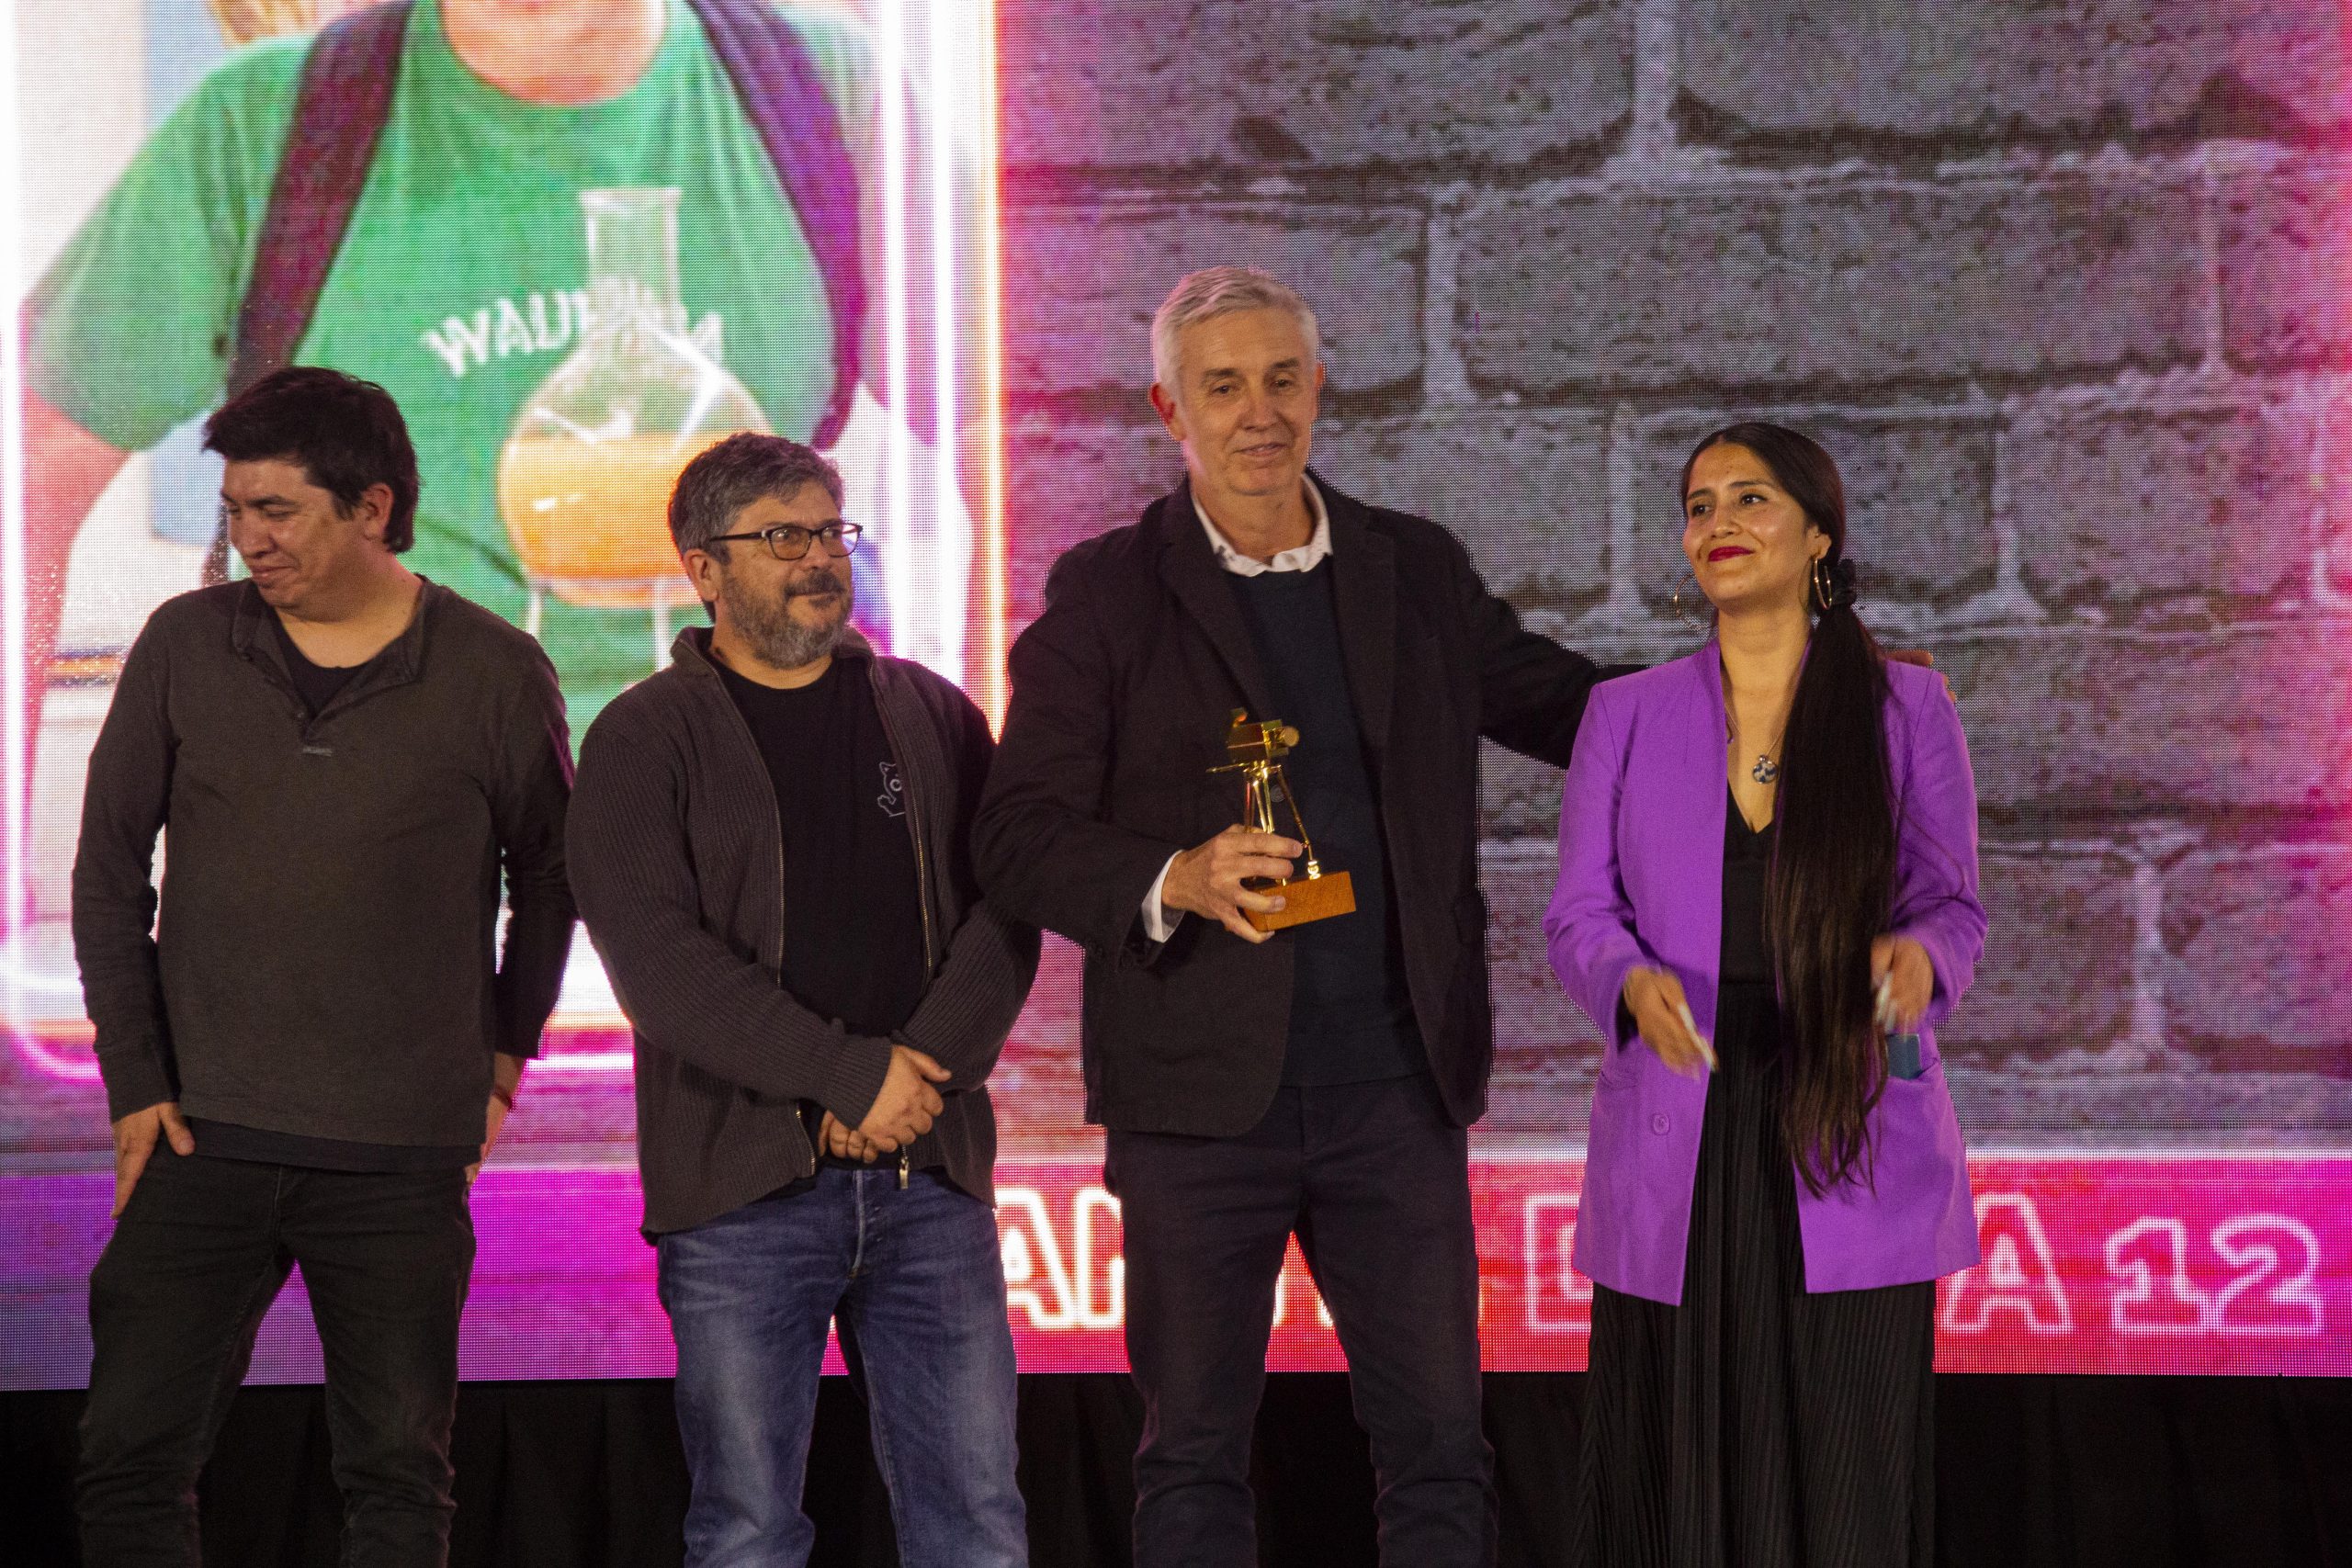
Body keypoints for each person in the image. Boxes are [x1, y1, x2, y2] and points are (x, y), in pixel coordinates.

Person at [973, 265, 1623, 1567]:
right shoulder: (1106, 591)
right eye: (1223, 386)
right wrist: (1176, 877)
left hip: (1397, 1088)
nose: (1258, 411)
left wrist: (1779, 689)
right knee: (1192, 1459)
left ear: (1319, 387)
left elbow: (1579, 711)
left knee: (1441, 1451)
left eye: (1282, 378)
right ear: (1171, 409)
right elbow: (1017, 834)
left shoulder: (1415, 568)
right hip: (1193, 1103)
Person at [25, 0, 982, 728]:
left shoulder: (829, 98)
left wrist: (1020, 826)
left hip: (762, 815)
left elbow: (1022, 446)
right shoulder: (265, 123)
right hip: (374, 827)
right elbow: (29, 479)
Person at [69, 367, 574, 1565]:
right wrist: (136, 1079)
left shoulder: (495, 670)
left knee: (397, 1481)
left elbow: (554, 880)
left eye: (277, 510)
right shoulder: (186, 642)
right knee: (127, 1461)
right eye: (236, 509)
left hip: (398, 1162)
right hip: (200, 1136)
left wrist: (505, 1055)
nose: (249, 537)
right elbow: (106, 872)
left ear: (372, 507)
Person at [566, 433, 1037, 1567]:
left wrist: (918, 1076)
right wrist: (848, 1077)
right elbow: (658, 966)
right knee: (747, 1533)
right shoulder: (642, 737)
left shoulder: (931, 715)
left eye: (830, 530)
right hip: (740, 1201)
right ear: (704, 568)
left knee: (976, 1524)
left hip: (931, 1182)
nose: (820, 557)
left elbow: (1011, 905)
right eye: (783, 537)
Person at [1543, 422, 1987, 1566]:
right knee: (1670, 1472)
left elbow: (1953, 907)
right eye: (1699, 506)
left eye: (1750, 499)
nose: (1718, 524)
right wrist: (1627, 982)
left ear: (1818, 535)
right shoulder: (1624, 714)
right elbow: (1578, 914)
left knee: (1845, 1462)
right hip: (1681, 1116)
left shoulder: (1904, 708)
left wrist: (1918, 962)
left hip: (1843, 1105)